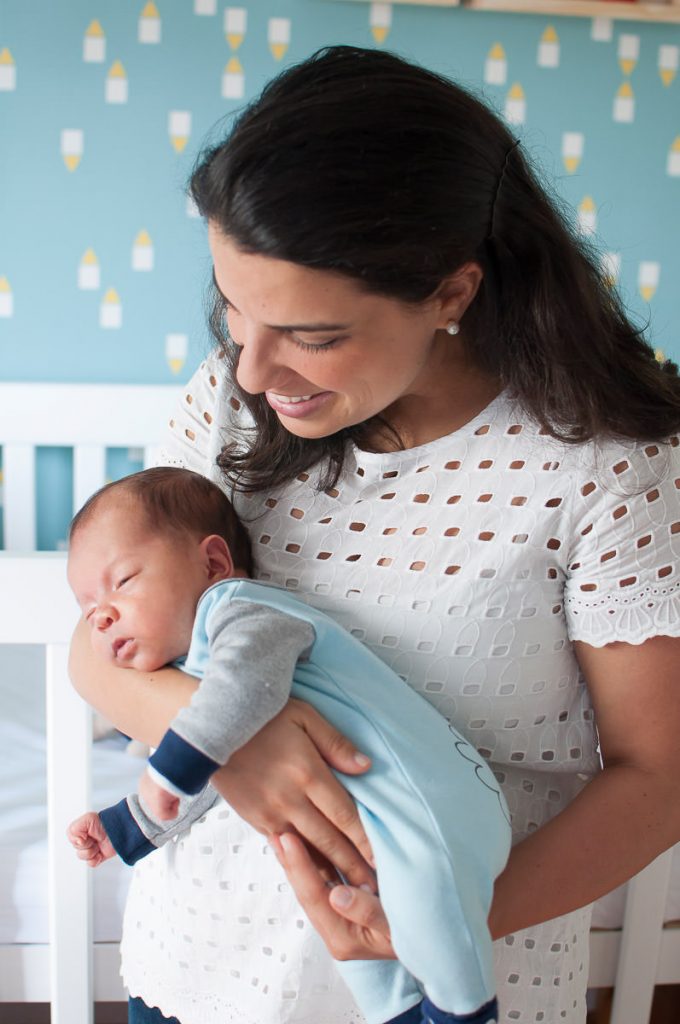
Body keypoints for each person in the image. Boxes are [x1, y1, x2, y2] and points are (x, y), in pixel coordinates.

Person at [68, 45, 680, 1024]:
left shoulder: (603, 464)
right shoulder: (228, 406)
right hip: (206, 965)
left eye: (311, 333)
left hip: (462, 973)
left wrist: (443, 920)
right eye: (233, 307)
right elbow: (100, 652)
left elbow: (656, 778)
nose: (254, 369)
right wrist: (243, 746)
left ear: (450, 292)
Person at [66, 465, 510, 1024]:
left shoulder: (243, 608)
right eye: (88, 610)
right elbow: (224, 767)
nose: (102, 615)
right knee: (364, 942)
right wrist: (129, 825)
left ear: (212, 563)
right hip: (360, 833)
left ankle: (468, 1011)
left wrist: (166, 772)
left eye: (123, 581)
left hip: (430, 807)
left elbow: (240, 696)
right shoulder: (194, 664)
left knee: (428, 908)